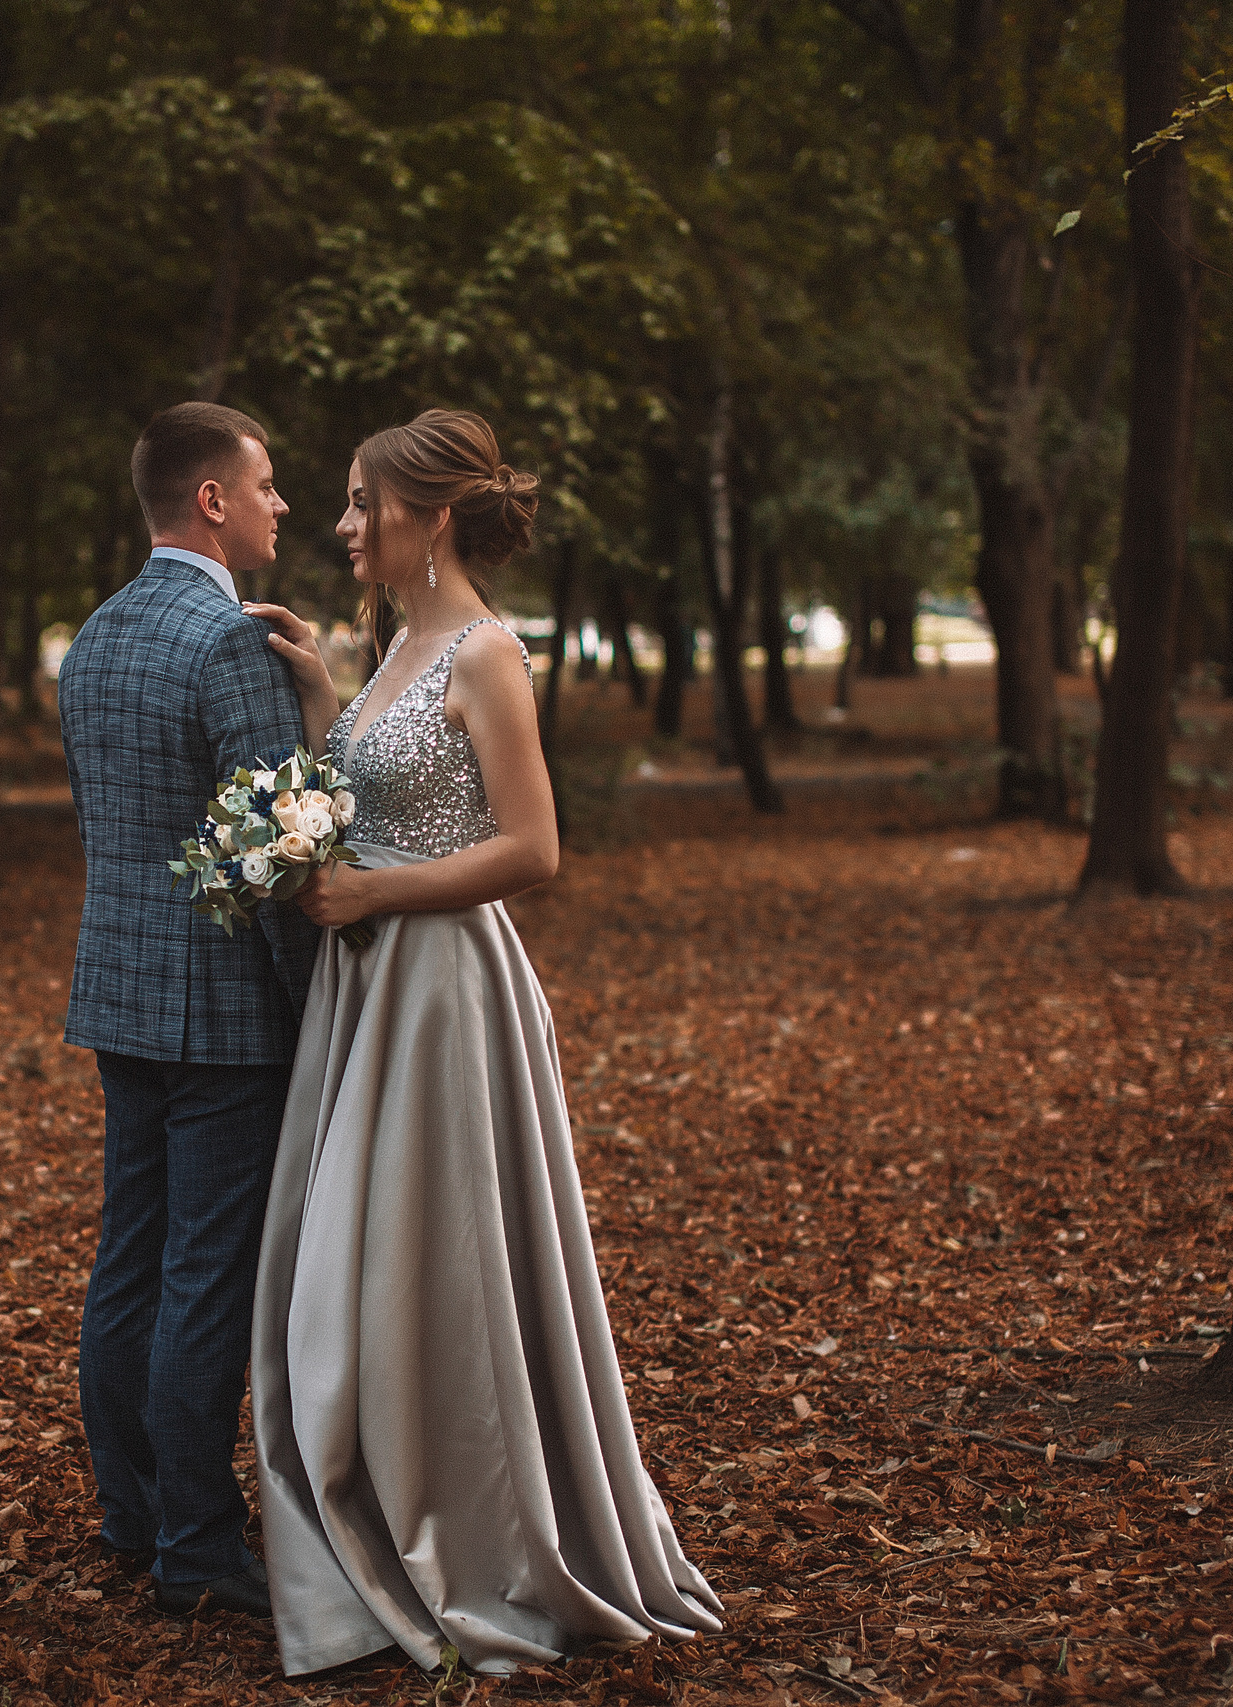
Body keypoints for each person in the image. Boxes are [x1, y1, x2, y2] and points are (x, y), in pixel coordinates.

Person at [239, 409, 725, 1676]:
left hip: (445, 991)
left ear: (429, 516)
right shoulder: (397, 644)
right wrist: (322, 705)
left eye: (359, 503)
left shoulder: (489, 652)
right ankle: (373, 1504)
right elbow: (394, 790)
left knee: (430, 1258)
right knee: (351, 1256)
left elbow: (532, 851)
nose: (341, 526)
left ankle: (476, 1532)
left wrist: (368, 895)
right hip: (369, 994)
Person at [57, 401, 313, 1619]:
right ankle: (200, 1554)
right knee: (205, 1276)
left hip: (118, 996)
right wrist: (321, 1001)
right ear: (210, 500)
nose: (280, 504)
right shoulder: (230, 646)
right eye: (264, 484)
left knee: (132, 1263)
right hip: (221, 1016)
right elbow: (269, 863)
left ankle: (132, 1510)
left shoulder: (94, 638)